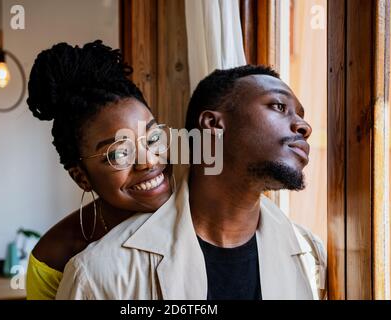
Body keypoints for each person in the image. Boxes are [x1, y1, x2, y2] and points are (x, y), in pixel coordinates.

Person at [56, 65, 327, 300]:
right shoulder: (99, 275)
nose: (304, 126)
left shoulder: (310, 255)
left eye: (152, 139)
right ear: (212, 123)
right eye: (279, 107)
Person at [25, 40, 173, 299]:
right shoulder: (54, 260)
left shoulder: (198, 205)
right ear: (81, 177)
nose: (148, 161)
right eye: (119, 154)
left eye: (152, 139)